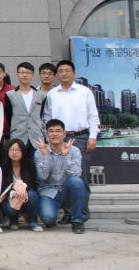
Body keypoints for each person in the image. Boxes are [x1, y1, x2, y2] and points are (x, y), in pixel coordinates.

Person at [42, 60, 98, 223]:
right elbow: (47, 118)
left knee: (81, 176)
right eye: (61, 71)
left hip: (80, 137)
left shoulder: (85, 92)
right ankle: (68, 212)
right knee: (61, 176)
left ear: (74, 73)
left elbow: (93, 115)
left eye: (67, 70)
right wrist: (48, 138)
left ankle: (82, 213)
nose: (64, 73)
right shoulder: (52, 94)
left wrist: (93, 136)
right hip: (58, 139)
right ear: (57, 74)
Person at [35, 119, 88, 234]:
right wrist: (46, 156)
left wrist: (65, 156)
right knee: (48, 218)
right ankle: (51, 218)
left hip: (67, 190)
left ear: (64, 134)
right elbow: (43, 177)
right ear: (46, 134)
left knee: (77, 182)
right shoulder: (40, 152)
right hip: (48, 190)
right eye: (51, 131)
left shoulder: (74, 150)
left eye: (58, 131)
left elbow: (76, 174)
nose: (55, 134)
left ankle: (77, 221)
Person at [1, 138, 41, 231]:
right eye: (11, 150)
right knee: (9, 209)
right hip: (10, 197)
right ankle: (13, 220)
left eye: (18, 150)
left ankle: (32, 221)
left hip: (25, 195)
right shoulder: (3, 167)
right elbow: (2, 187)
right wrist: (13, 193)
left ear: (23, 152)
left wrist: (22, 190)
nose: (14, 152)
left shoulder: (30, 165)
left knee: (32, 194)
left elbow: (31, 183)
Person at [5, 63, 45, 154]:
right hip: (18, 136)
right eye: (22, 72)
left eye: (28, 73)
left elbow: (41, 115)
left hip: (36, 137)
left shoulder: (41, 95)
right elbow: (9, 115)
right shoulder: (10, 95)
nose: (25, 75)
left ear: (32, 75)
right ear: (17, 74)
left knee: (37, 161)